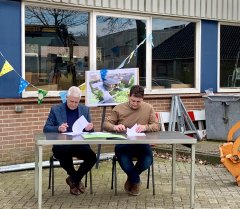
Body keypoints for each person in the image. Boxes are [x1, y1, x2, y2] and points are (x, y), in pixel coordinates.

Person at [103, 85, 160, 196]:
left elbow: (156, 126)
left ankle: (131, 179)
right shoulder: (118, 108)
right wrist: (115, 127)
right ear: (128, 96)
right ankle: (136, 181)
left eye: (138, 101)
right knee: (123, 159)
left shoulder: (148, 108)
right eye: (133, 100)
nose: (135, 103)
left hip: (142, 144)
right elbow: (106, 124)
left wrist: (145, 127)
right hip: (124, 144)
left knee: (148, 160)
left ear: (142, 99)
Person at [43, 86, 97, 196]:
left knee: (92, 157)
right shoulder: (56, 109)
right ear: (67, 98)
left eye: (76, 102)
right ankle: (75, 179)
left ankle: (73, 179)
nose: (73, 104)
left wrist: (89, 128)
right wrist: (58, 128)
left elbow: (90, 130)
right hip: (62, 145)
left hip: (79, 144)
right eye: (71, 101)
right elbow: (46, 128)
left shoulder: (84, 110)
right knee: (64, 152)